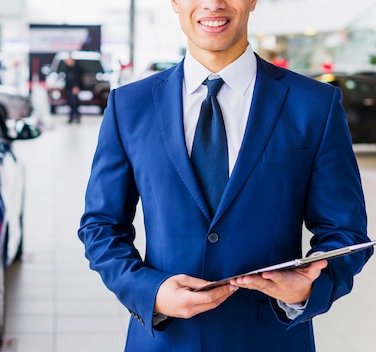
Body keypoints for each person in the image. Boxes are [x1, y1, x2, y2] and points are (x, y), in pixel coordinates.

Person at [77, 1, 373, 351]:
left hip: (270, 339)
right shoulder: (130, 106)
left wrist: (307, 289)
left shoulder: (314, 105)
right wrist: (149, 291)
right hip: (166, 339)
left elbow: (345, 232)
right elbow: (100, 225)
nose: (214, 3)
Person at [63, 56, 83, 123]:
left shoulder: (77, 69)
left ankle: (76, 117)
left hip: (74, 88)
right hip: (69, 88)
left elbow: (78, 79)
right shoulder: (68, 68)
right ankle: (72, 117)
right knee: (71, 103)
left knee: (74, 103)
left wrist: (76, 86)